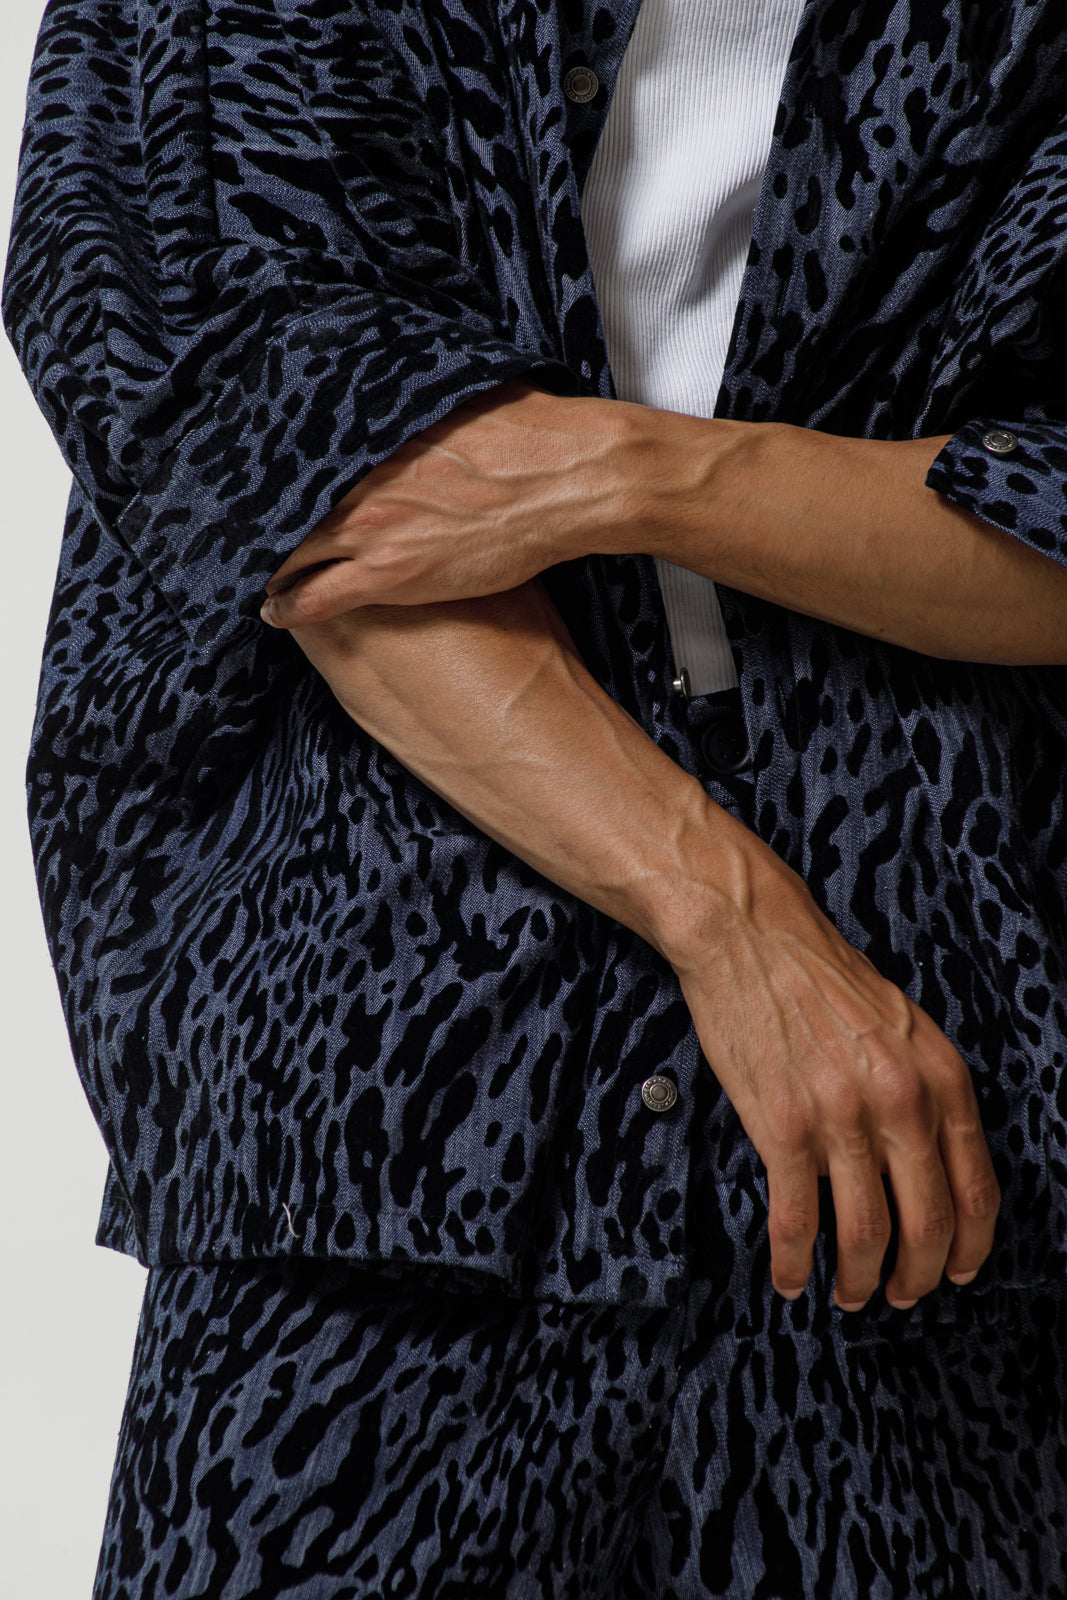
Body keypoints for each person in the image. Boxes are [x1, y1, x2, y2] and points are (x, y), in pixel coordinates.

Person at [6, 0, 1067, 1593]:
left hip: (927, 1124)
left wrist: (638, 472)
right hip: (397, 1088)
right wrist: (733, 917)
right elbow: (285, 442)